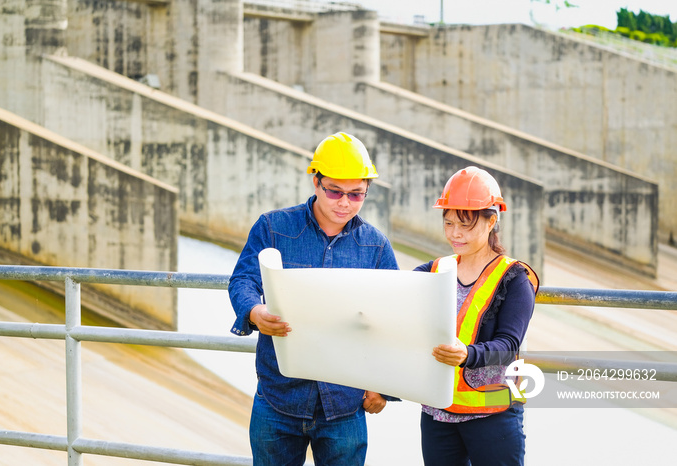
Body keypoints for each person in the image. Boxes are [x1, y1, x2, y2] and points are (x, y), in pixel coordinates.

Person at [228, 132, 399, 466]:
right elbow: (244, 279)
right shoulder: (274, 228)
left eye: (356, 194)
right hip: (278, 397)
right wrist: (253, 311)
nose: (344, 202)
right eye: (334, 191)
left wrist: (384, 388)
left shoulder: (376, 246)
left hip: (345, 404)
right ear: (315, 181)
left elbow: (394, 321)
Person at [415, 166, 539, 466]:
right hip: (439, 414)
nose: (455, 233)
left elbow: (508, 345)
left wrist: (467, 354)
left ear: (491, 221)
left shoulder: (513, 278)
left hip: (493, 415)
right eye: (448, 223)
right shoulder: (432, 271)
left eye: (465, 225)